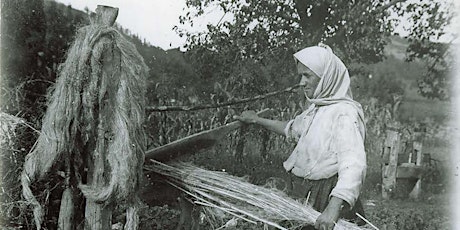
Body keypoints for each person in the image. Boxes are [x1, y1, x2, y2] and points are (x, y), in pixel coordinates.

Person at [233, 44, 367, 230]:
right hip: (304, 192)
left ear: (326, 78)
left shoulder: (343, 113)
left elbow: (353, 165)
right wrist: (256, 120)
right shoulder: (318, 108)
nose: (302, 82)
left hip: (325, 197)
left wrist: (332, 210)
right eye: (300, 76)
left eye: (307, 76)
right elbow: (292, 129)